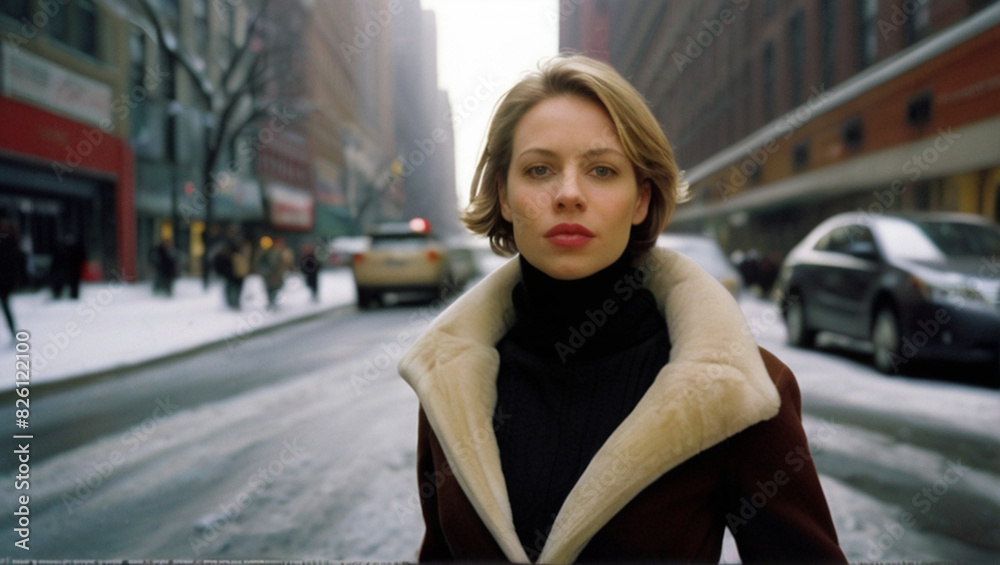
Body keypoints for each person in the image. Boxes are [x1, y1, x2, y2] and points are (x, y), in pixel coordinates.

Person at [397, 55, 846, 562]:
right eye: (539, 169)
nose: (568, 194)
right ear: (503, 195)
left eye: (602, 170)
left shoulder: (742, 392)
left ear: (640, 200)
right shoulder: (450, 381)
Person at [0, 219, 27, 340]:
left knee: (6, 306)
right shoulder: (11, 241)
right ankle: (12, 331)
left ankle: (12, 331)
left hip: (5, 280)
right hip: (6, 279)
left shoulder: (10, 242)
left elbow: (16, 262)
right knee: (6, 306)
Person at [257, 237, 294, 309]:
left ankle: (272, 301)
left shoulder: (276, 252)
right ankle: (271, 301)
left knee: (275, 288)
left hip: (275, 275)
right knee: (269, 289)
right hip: (269, 275)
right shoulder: (265, 253)